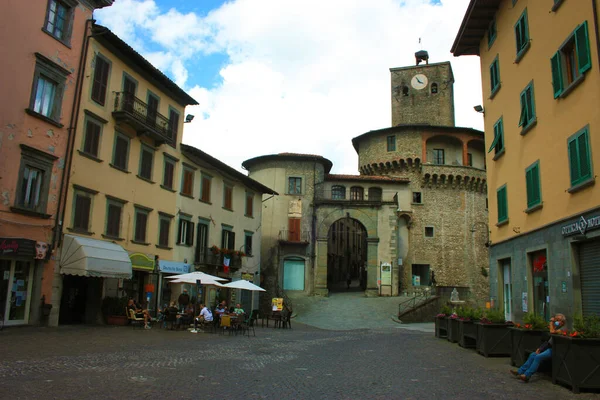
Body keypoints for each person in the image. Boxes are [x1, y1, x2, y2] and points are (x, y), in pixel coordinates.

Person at [510, 313, 567, 382]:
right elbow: (548, 342)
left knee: (538, 357)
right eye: (555, 320)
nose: (556, 322)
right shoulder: (557, 328)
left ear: (562, 322)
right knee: (533, 355)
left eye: (558, 320)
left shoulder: (563, 329)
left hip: (555, 350)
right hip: (549, 348)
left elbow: (552, 332)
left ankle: (527, 375)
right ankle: (520, 371)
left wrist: (551, 322)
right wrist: (540, 348)